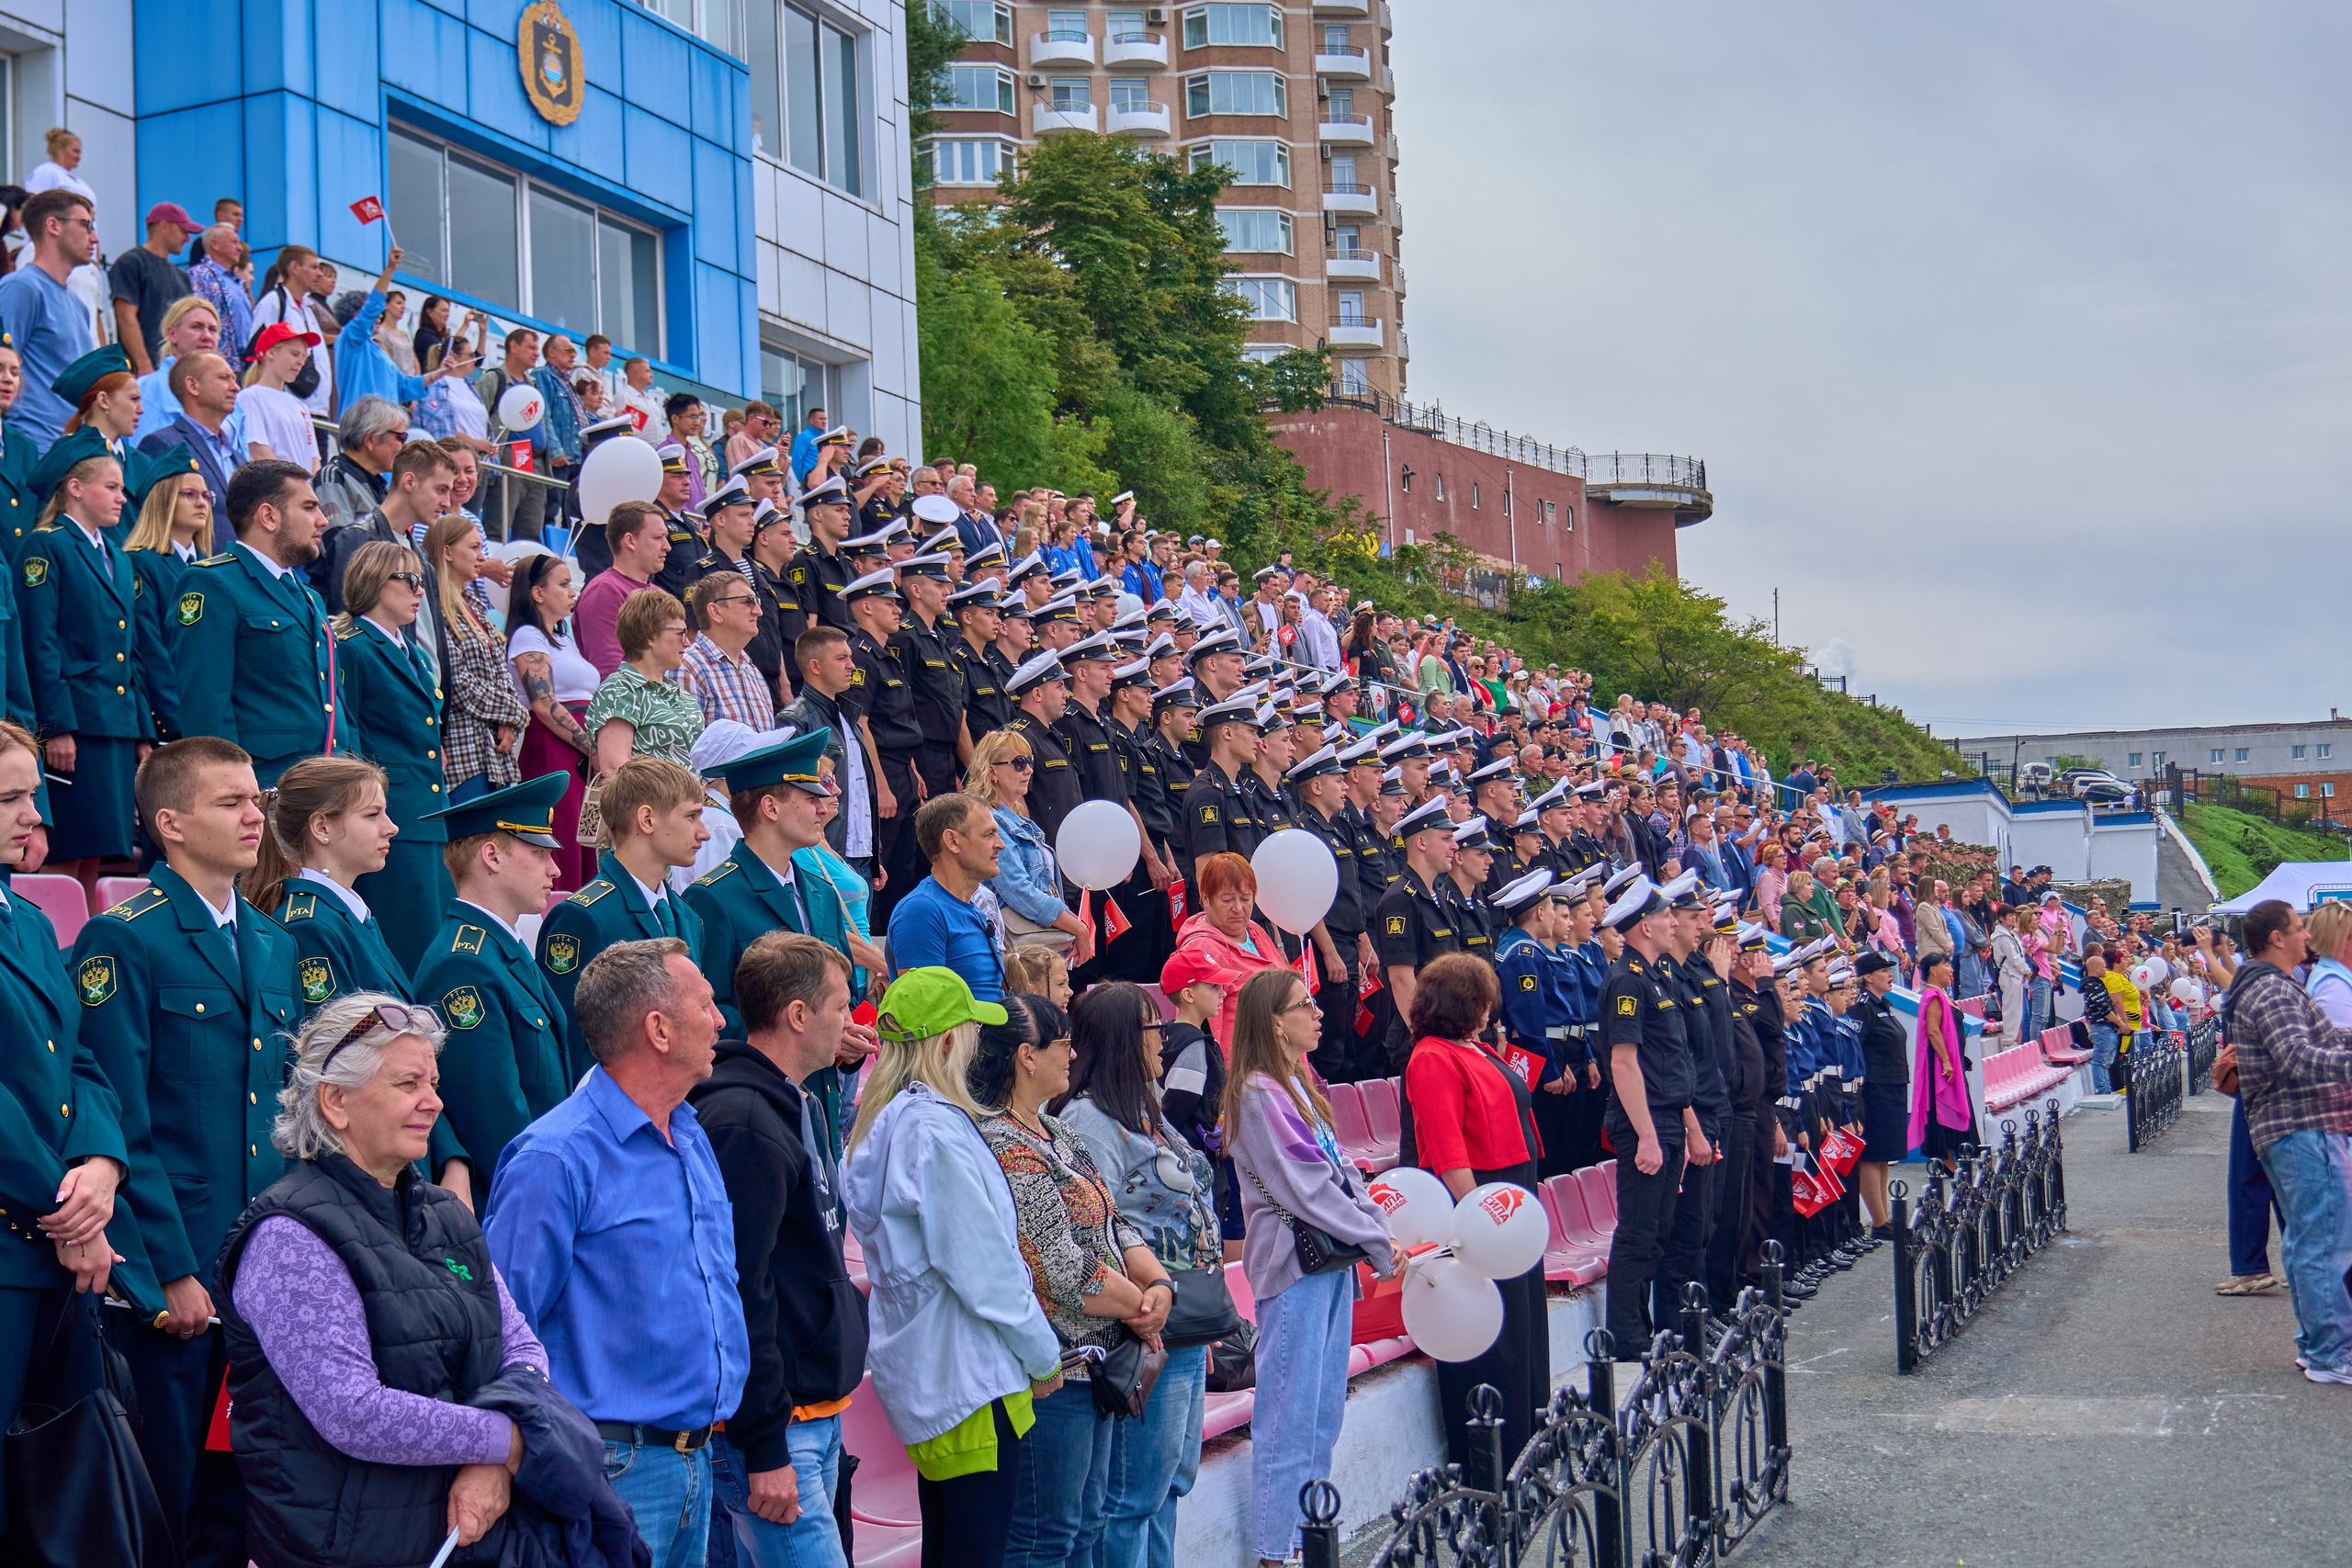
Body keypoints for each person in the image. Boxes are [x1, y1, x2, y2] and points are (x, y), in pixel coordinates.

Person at [213, 992, 631, 1567]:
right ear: (336, 1101)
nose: (434, 1102)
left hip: (465, 1546)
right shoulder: (288, 1236)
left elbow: (522, 1349)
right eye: (407, 1084)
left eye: (432, 1083)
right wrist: (509, 1441)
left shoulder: (448, 1217)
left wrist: (495, 1459)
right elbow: (353, 1412)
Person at [74, 737, 303, 1568]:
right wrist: (167, 1269)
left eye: (257, 800)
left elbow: (280, 1112)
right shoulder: (124, 938)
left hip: (260, 1269)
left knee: (243, 1506)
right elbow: (117, 1119)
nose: (254, 816)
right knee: (165, 1504)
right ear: (169, 823)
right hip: (172, 1277)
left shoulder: (273, 942)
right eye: (230, 802)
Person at [485, 938, 749, 1566]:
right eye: (705, 1005)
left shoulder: (689, 1133)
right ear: (659, 1029)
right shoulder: (555, 1158)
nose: (720, 1020)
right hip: (609, 1469)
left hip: (698, 1461)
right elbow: (499, 1326)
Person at [842, 968, 1058, 1568]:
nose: (976, 1044)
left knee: (948, 1547)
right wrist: (1043, 1355)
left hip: (933, 1378)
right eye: (969, 1031)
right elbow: (985, 1269)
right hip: (971, 1382)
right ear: (944, 1043)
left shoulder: (886, 1125)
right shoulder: (933, 1131)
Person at [969, 988, 1171, 1568]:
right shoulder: (1003, 1142)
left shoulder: (1058, 1132)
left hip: (1099, 1359)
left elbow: (1114, 1222)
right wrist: (1141, 1308)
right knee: (1048, 1535)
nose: (1073, 1053)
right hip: (1056, 1366)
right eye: (1063, 1042)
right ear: (1026, 1056)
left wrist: (1160, 1285)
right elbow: (1058, 1265)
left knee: (1085, 1524)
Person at [693, 932, 872, 1568]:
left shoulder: (791, 1102)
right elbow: (740, 1288)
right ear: (799, 1014)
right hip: (778, 1428)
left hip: (810, 1413)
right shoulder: (744, 1121)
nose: (850, 1022)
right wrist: (764, 1441)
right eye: (841, 1005)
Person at [0, 716, 130, 1521]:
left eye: (33, 795)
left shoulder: (29, 920)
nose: (33, 816)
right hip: (24, 1237)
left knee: (58, 1502)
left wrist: (102, 1167)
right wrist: (66, 1206)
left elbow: (80, 1059)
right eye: (9, 799)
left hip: (58, 1243)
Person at [1225, 966, 1397, 1568]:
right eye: (1305, 1004)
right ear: (1275, 1023)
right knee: (1288, 1415)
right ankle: (1276, 1551)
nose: (1319, 1012)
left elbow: (1342, 1169)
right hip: (1294, 1269)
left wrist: (1377, 1225)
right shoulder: (1257, 1092)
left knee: (1322, 1413)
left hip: (1330, 1263)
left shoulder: (1298, 1081)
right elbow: (1306, 1187)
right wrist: (1375, 1239)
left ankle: (1307, 1539)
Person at [1057, 982, 1222, 1568]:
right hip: (1143, 1328)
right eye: (1157, 1029)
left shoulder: (1145, 1106)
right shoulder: (1087, 1121)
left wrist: (1198, 1323)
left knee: (1171, 1483)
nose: (1166, 1042)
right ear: (1127, 1039)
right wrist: (1146, 1311)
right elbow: (1096, 1230)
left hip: (1185, 1317)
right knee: (1132, 1496)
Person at [1401, 951, 1550, 1483]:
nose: (1491, 1010)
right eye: (1483, 1001)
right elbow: (1448, 1151)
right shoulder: (1431, 1057)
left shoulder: (1476, 1046)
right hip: (1481, 1209)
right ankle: (1493, 1466)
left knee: (1522, 1326)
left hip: (1510, 1199)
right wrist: (1482, 1219)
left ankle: (1529, 1450)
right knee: (1492, 1336)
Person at [408, 773, 569, 1204]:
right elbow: (494, 1120)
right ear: (492, 856)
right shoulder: (465, 966)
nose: (555, 869)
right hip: (518, 1200)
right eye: (539, 853)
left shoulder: (500, 950)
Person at [17, 441, 163, 884]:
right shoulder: (47, 546)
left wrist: (142, 731)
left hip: (115, 722)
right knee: (67, 851)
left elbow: (130, 651)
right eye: (111, 487)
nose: (122, 497)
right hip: (77, 721)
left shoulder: (117, 556)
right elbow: (39, 643)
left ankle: (84, 929)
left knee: (97, 853)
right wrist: (56, 726)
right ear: (76, 488)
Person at [2220, 900, 2352, 1383]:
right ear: (2277, 938)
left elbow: (2323, 1043)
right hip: (2303, 1127)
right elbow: (2298, 1058)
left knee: (2308, 1240)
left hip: (2295, 1129)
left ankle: (2318, 1345)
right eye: (2298, 928)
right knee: (2325, 1243)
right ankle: (2330, 1355)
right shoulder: (2272, 990)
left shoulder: (2271, 985)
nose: (2307, 935)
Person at [329, 539, 461, 968]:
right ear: (374, 581)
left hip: (428, 814)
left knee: (434, 943)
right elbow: (347, 738)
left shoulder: (414, 653)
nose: (420, 590)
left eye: (421, 581)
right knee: (407, 944)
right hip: (389, 815)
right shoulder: (352, 646)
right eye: (408, 579)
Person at [173, 458, 342, 787]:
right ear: (268, 516)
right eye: (309, 507)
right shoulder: (214, 583)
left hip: (326, 784)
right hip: (264, 788)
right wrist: (228, 792)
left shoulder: (309, 597)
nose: (322, 520)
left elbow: (334, 704)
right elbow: (206, 705)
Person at [538, 757, 708, 1080]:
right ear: (647, 819)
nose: (704, 833)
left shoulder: (685, 913)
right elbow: (573, 1044)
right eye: (691, 816)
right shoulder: (584, 917)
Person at [1596, 874, 1704, 1356]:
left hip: (1667, 1118)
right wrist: (1646, 1135)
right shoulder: (1626, 980)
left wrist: (1688, 1127)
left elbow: (1672, 1062)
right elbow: (1624, 1063)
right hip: (1646, 1121)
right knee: (1639, 1233)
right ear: (1644, 926)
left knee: (1658, 1232)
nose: (1673, 923)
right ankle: (1627, 1338)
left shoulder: (1656, 976)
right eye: (1665, 916)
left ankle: (1643, 1330)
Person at [505, 551, 598, 887]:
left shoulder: (562, 640)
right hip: (554, 747)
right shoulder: (528, 637)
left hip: (580, 750)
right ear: (538, 593)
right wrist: (593, 749)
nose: (572, 591)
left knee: (585, 840)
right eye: (563, 584)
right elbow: (543, 703)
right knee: (564, 839)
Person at [967, 726, 1092, 960]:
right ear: (992, 771)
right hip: (1016, 949)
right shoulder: (991, 821)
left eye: (1030, 761)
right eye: (1019, 763)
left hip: (1035, 943)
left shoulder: (1018, 821)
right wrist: (1077, 927)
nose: (1028, 770)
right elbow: (1018, 890)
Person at [0, 188, 99, 449]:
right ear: (53, 226)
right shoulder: (21, 288)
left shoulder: (78, 305)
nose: (95, 237)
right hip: (29, 448)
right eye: (86, 225)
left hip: (68, 452)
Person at [313, 436, 455, 617]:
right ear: (409, 482)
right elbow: (345, 623)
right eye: (441, 490)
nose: (447, 503)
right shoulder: (357, 540)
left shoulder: (421, 556)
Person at [887, 791, 1009, 1000]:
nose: (1001, 844)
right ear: (952, 841)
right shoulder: (921, 911)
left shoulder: (973, 910)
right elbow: (922, 1008)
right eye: (988, 834)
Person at [1170, 851, 1292, 1048]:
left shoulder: (1254, 930)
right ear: (1206, 899)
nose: (1238, 908)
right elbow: (1196, 1025)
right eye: (1227, 900)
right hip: (1244, 1058)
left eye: (1245, 899)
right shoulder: (1200, 948)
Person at [586, 586, 706, 774]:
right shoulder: (620, 689)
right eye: (680, 633)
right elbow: (615, 770)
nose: (687, 642)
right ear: (650, 635)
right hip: (653, 795)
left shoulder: (682, 695)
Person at [1849, 950, 1909, 1235]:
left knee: (1884, 1154)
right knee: (1872, 1155)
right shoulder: (1863, 1007)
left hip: (1892, 1086)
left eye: (1889, 969)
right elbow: (1854, 1049)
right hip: (1875, 1090)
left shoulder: (1881, 1005)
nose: (1889, 974)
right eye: (1883, 970)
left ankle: (1885, 1218)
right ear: (1868, 977)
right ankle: (1879, 1221)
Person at [1907, 951, 1976, 1173]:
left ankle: (1956, 1153)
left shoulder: (1943, 994)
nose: (1951, 969)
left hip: (1953, 1060)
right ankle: (1945, 1157)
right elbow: (1933, 1031)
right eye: (1946, 965)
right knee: (1943, 1104)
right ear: (1933, 970)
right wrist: (1946, 1061)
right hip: (1940, 1062)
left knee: (1956, 1101)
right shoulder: (1933, 996)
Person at [107, 200, 196, 374]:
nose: (187, 239)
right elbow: (125, 317)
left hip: (177, 373)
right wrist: (143, 365)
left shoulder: (182, 277)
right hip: (144, 372)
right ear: (164, 227)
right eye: (183, 231)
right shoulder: (131, 263)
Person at [237, 320, 322, 468]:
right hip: (274, 483)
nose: (301, 362)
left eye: (303, 357)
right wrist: (295, 481)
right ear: (271, 353)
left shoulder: (300, 406)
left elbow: (314, 460)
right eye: (295, 354)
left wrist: (311, 482)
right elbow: (259, 453)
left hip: (301, 483)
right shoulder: (250, 397)